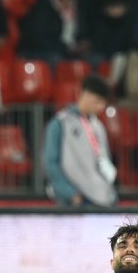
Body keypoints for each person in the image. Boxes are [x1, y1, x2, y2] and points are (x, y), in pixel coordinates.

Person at [43, 75, 117, 208]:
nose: (101, 107)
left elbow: (104, 159)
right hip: (75, 201)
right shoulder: (60, 123)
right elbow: (51, 162)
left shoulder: (98, 126)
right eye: (98, 101)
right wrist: (70, 193)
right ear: (86, 95)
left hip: (102, 197)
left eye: (103, 103)